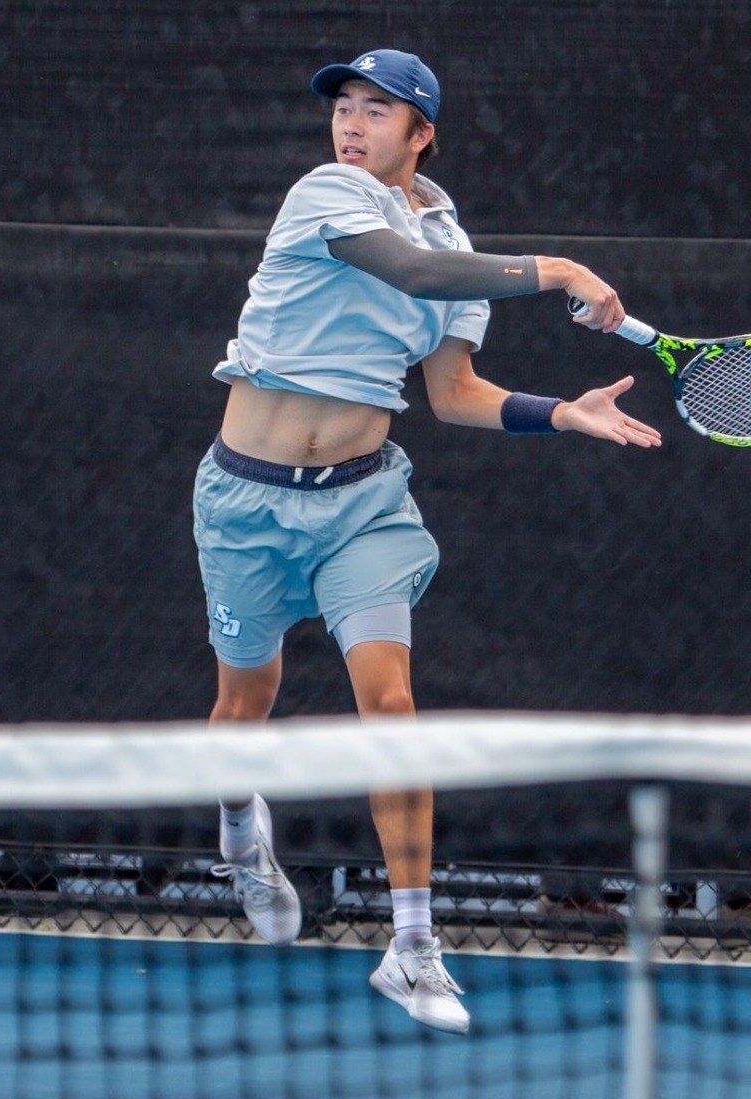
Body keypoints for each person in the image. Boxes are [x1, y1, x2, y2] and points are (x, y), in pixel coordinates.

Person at [197, 48, 660, 1035]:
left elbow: (452, 396)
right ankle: (240, 828)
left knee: (391, 705)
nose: (351, 124)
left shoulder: (447, 234)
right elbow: (405, 270)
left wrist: (560, 415)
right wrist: (561, 269)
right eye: (344, 107)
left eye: (378, 111)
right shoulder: (326, 193)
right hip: (244, 502)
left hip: (363, 503)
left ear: (422, 134)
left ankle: (411, 947)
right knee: (246, 702)